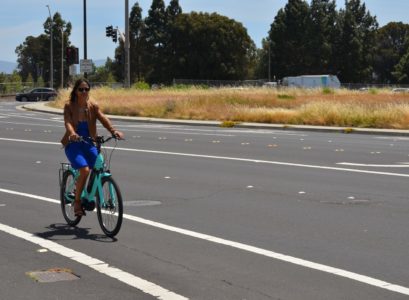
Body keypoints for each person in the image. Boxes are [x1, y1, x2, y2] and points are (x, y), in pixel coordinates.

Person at [61, 78, 124, 216]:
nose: (84, 92)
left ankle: (88, 193)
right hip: (74, 144)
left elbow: (103, 118)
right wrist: (72, 133)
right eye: (81, 89)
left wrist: (113, 131)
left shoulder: (93, 106)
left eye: (86, 89)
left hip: (89, 143)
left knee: (99, 165)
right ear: (76, 91)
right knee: (84, 170)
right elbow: (68, 123)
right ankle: (77, 202)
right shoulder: (69, 106)